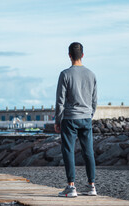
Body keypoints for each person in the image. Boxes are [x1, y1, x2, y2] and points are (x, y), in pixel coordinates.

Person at [54, 42, 97, 197]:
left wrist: (57, 120)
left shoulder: (65, 74)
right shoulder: (91, 74)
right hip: (86, 117)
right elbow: (94, 100)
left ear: (69, 55)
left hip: (70, 118)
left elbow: (60, 100)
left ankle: (71, 186)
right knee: (88, 151)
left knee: (68, 150)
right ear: (82, 55)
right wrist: (89, 115)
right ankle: (91, 185)